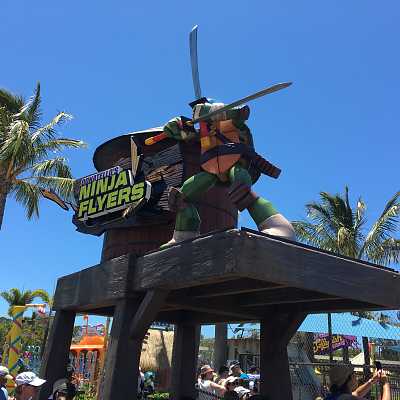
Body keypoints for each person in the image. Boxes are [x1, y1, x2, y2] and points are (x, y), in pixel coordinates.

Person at [326, 365, 391, 400]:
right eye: (353, 373)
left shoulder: (330, 397)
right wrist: (385, 383)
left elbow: (356, 394)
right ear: (349, 380)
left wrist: (372, 380)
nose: (356, 375)